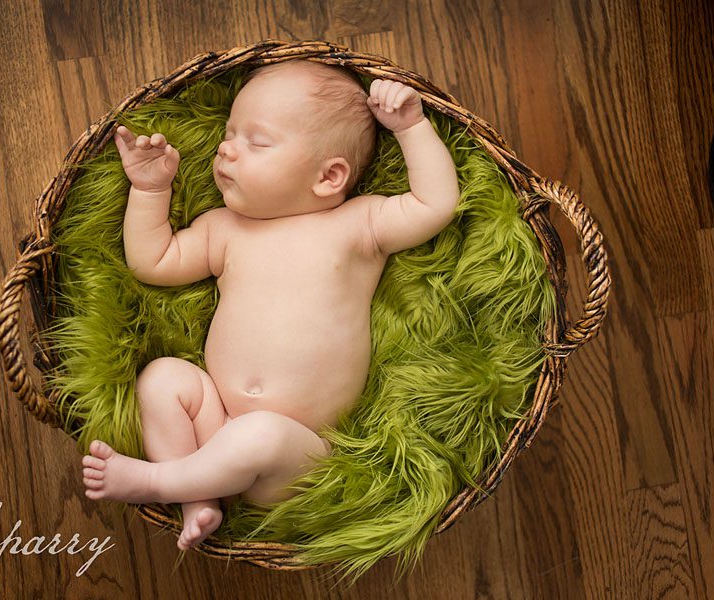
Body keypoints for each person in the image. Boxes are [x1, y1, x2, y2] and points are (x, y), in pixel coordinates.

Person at [81, 59, 460, 551]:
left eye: (255, 142)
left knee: (259, 434)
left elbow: (435, 204)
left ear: (329, 176)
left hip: (294, 452)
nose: (225, 149)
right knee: (163, 379)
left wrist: (411, 127)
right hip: (214, 426)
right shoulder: (223, 229)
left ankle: (162, 482)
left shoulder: (359, 226)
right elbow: (154, 260)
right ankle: (200, 502)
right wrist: (151, 190)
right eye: (229, 134)